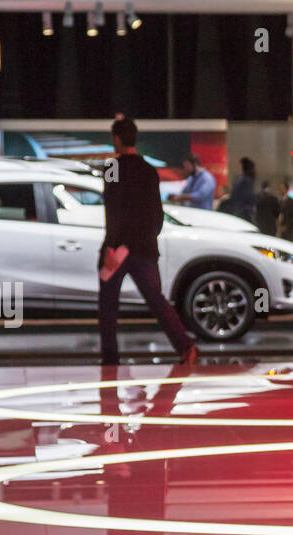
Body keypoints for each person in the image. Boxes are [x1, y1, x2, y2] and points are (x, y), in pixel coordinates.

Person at [97, 116, 199, 367]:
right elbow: (156, 213)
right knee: (156, 301)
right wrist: (149, 236)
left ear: (117, 139)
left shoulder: (112, 168)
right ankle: (186, 348)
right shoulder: (148, 170)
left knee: (108, 306)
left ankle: (110, 359)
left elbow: (113, 211)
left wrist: (111, 247)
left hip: (118, 249)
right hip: (144, 248)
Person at [227, 156, 257, 222]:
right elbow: (247, 199)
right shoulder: (246, 181)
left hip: (238, 213)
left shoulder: (240, 180)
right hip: (242, 215)